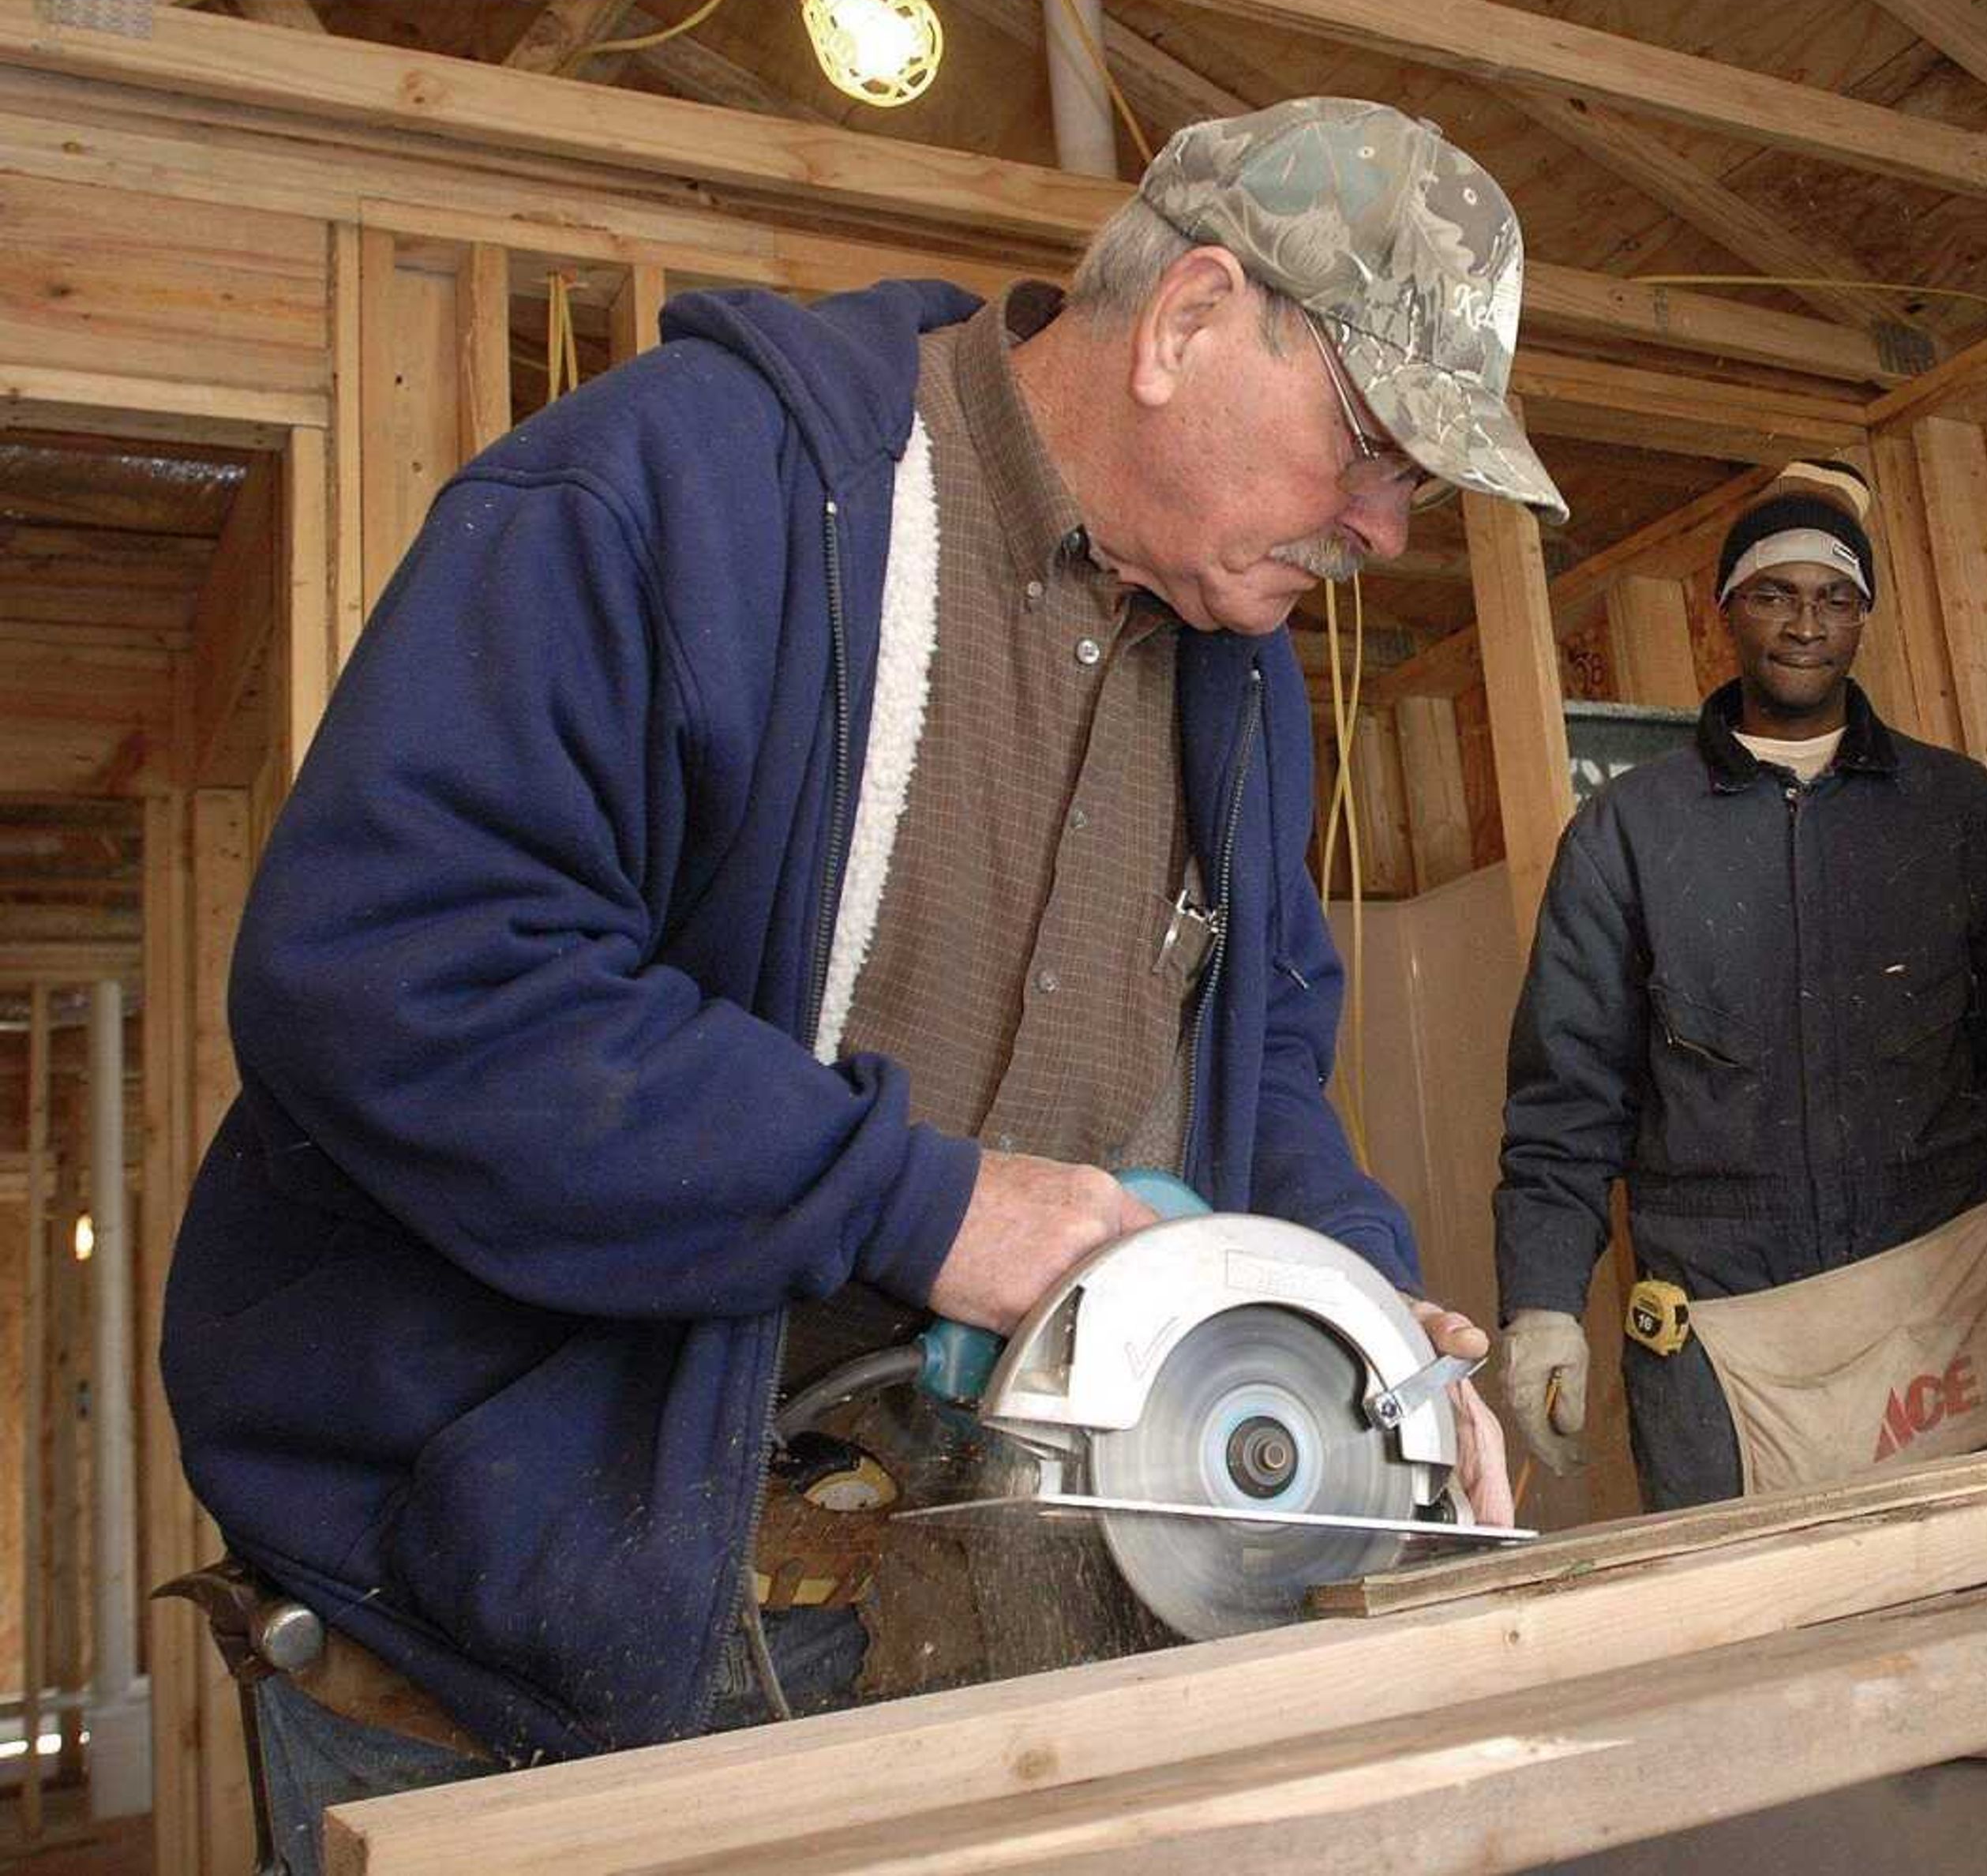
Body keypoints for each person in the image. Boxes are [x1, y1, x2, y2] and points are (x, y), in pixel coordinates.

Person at [162, 98, 1548, 1867]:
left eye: (1414, 484)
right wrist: (917, 1201)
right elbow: (401, 974)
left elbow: (1259, 1064)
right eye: (1368, 443)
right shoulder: (687, 490)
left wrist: (1365, 1337)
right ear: (1190, 320)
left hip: (958, 1612)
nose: (1387, 528)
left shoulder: (1240, 676)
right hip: (512, 1639)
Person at [1493, 463, 1987, 1511]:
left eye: (1835, 597)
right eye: (1773, 593)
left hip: (1942, 1310)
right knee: (1758, 1637)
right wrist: (1540, 1302)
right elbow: (1567, 1100)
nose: (1806, 624)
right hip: (1728, 1335)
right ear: (1726, 611)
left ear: (1864, 618)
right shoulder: (1630, 834)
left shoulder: (1961, 817)